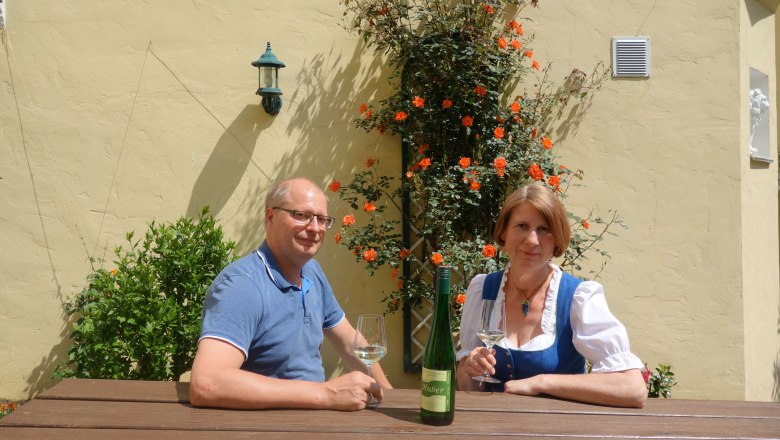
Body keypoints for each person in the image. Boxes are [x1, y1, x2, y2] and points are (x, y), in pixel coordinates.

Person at [189, 177, 392, 410]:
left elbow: (349, 343)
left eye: (322, 219)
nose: (315, 228)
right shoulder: (242, 285)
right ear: (270, 217)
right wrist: (326, 394)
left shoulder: (311, 272)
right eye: (302, 215)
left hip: (314, 418)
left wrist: (390, 395)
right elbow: (207, 383)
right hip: (270, 426)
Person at [456, 184, 647, 408]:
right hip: (494, 427)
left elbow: (633, 389)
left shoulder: (578, 297)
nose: (532, 240)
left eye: (544, 229)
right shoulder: (483, 289)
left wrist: (542, 382)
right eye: (522, 226)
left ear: (557, 239)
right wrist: (471, 367)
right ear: (503, 232)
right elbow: (467, 385)